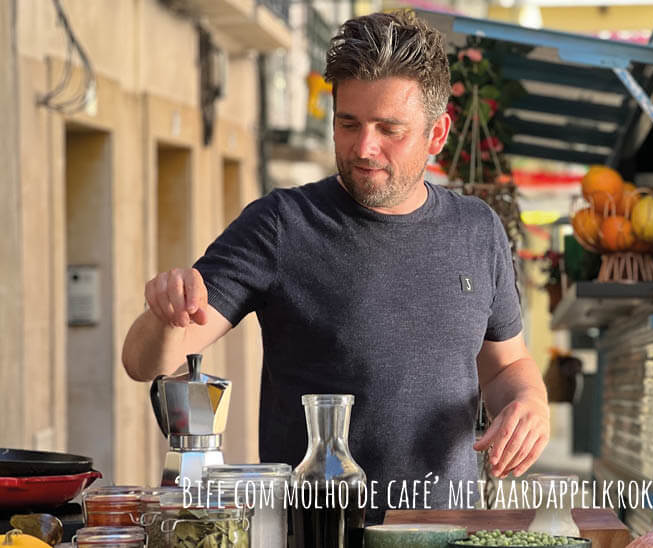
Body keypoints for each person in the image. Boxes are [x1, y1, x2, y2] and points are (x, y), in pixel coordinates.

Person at [122, 10, 549, 522]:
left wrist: (530, 401)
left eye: (389, 129)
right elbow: (144, 364)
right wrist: (165, 314)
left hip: (447, 530)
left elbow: (504, 366)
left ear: (437, 134)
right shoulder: (282, 224)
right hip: (313, 531)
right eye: (348, 123)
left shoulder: (477, 229)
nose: (364, 147)